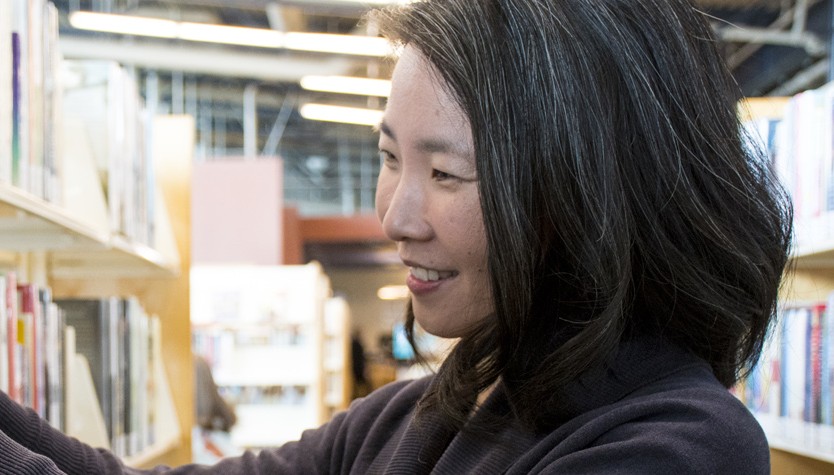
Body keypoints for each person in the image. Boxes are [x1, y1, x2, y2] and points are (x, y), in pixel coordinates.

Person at [0, 0, 791, 473]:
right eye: (387, 158)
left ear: (587, 194)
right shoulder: (430, 412)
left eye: (447, 174)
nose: (395, 214)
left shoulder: (678, 446)